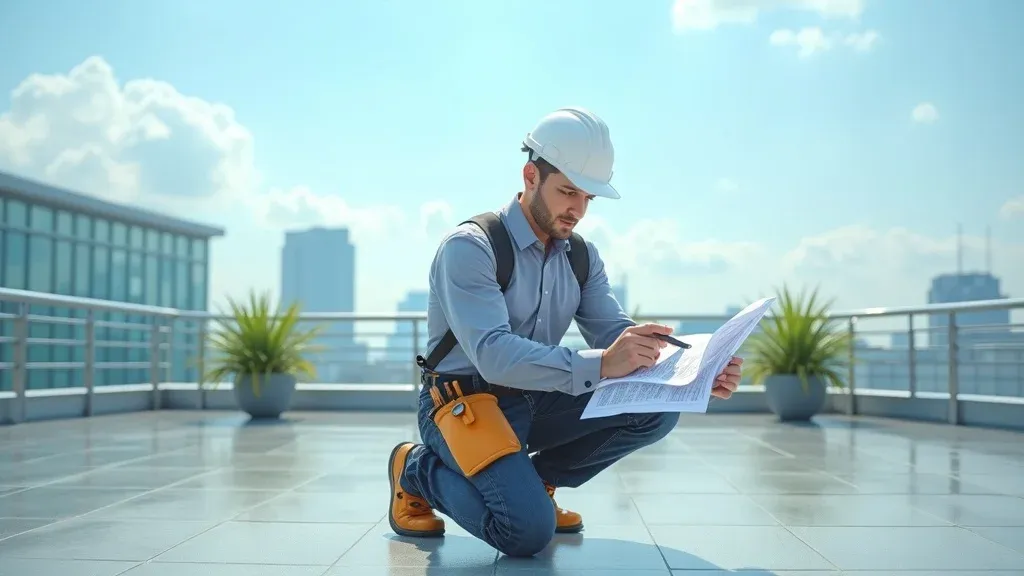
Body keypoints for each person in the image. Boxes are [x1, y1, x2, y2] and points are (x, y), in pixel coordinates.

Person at [386, 106, 743, 557]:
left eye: (588, 197)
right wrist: (604, 363)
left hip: (532, 396)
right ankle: (415, 469)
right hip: (461, 401)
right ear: (530, 175)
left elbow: (614, 333)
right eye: (567, 191)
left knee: (656, 409)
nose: (577, 209)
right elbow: (493, 353)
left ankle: (534, 484)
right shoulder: (470, 248)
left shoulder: (581, 256)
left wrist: (693, 374)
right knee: (526, 533)